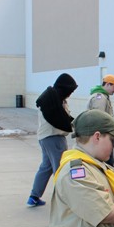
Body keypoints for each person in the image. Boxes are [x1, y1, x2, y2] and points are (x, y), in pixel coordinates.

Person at [27, 73, 78, 207]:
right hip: (54, 138)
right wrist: (72, 126)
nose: (70, 94)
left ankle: (34, 196)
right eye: (70, 91)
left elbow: (63, 118)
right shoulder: (54, 100)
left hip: (45, 138)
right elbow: (60, 120)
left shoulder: (51, 98)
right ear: (64, 88)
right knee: (60, 170)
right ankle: (63, 201)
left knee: (46, 167)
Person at [87, 74, 114, 165]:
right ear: (107, 84)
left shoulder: (102, 96)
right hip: (102, 137)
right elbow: (98, 119)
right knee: (107, 164)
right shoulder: (100, 98)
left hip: (102, 136)